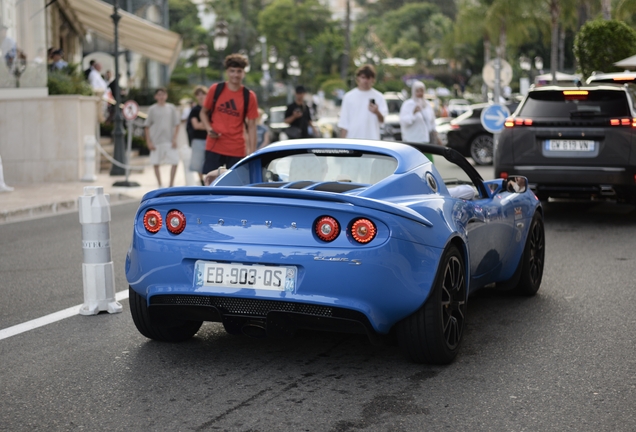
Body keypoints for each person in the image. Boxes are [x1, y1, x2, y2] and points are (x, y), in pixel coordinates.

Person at [199, 53, 259, 177]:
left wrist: (252, 153)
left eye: (239, 71)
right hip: (215, 145)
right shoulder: (216, 89)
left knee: (236, 185)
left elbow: (252, 126)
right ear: (227, 72)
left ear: (243, 73)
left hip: (237, 147)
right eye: (232, 71)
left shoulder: (249, 96)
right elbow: (203, 112)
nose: (235, 75)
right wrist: (209, 129)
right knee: (210, 182)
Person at [338, 64, 388, 139]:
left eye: (368, 78)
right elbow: (344, 123)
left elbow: (382, 120)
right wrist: (342, 144)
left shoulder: (379, 96)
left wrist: (377, 112)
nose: (365, 81)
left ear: (373, 79)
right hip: (353, 140)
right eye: (363, 77)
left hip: (373, 141)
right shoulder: (348, 97)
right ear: (358, 78)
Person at [144, 87, 180, 188]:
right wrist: (149, 142)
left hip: (169, 140)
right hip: (156, 141)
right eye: (159, 95)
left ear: (166, 95)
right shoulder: (152, 109)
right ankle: (160, 184)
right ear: (156, 96)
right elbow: (146, 126)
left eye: (163, 94)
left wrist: (174, 139)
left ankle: (171, 184)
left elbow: (177, 124)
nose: (161, 97)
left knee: (175, 161)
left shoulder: (171, 108)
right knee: (156, 163)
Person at [399, 80, 439, 161]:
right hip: (412, 140)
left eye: (422, 91)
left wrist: (434, 130)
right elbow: (403, 121)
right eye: (417, 91)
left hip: (425, 139)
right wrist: (413, 113)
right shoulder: (408, 104)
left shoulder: (427, 104)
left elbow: (432, 120)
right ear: (413, 91)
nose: (420, 93)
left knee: (427, 163)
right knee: (413, 162)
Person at [187, 86, 209, 185]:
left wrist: (204, 125)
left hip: (210, 139)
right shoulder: (195, 110)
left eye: (203, 94)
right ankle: (201, 181)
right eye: (198, 94)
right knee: (198, 162)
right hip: (199, 139)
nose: (201, 96)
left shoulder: (210, 108)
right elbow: (196, 125)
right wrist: (208, 125)